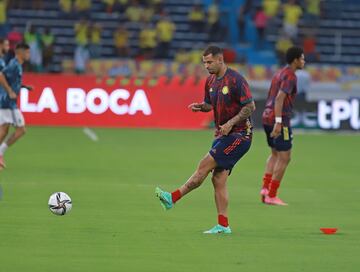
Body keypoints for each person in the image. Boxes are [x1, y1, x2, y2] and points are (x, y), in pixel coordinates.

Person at [155, 45, 256, 234]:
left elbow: (250, 107)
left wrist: (230, 123)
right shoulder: (210, 81)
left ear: (220, 60)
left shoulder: (236, 80)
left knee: (204, 166)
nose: (207, 66)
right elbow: (210, 105)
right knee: (218, 179)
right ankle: (223, 226)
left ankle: (172, 198)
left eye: (209, 62)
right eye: (204, 63)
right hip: (223, 135)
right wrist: (201, 107)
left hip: (240, 135)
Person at [260, 46, 305, 205]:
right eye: (302, 58)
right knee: (285, 157)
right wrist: (279, 122)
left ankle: (265, 189)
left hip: (266, 116)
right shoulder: (290, 76)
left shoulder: (279, 73)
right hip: (279, 119)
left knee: (275, 154)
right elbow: (279, 99)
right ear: (295, 60)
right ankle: (272, 195)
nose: (303, 61)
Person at [0, 43, 31, 170]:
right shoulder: (14, 64)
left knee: (4, 128)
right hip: (8, 102)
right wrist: (9, 91)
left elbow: (11, 80)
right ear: (20, 52)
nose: (29, 55)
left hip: (8, 102)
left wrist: (24, 86)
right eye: (27, 52)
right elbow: (1, 75)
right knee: (21, 129)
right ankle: (0, 152)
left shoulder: (17, 65)